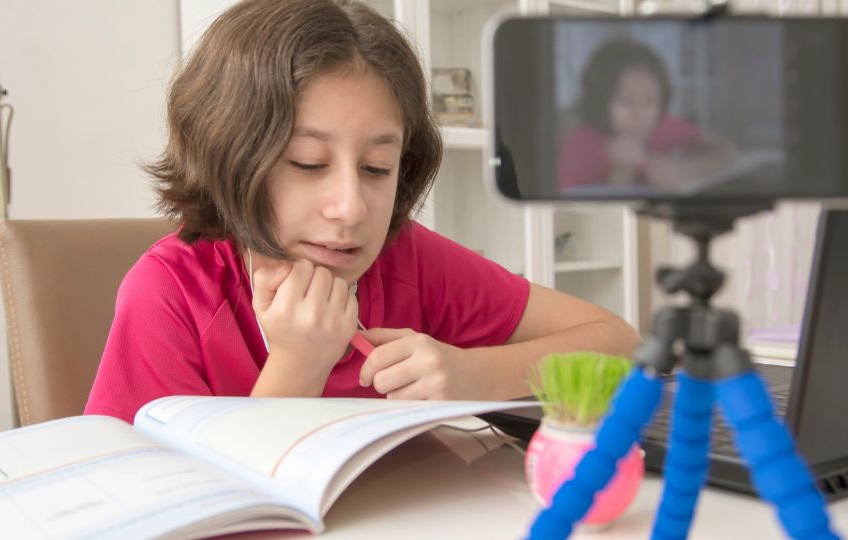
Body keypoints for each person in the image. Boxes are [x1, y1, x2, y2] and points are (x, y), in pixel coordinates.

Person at [84, 0, 640, 424]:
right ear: (228, 155)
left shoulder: (409, 260)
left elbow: (618, 342)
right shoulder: (171, 293)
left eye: (377, 168)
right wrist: (299, 364)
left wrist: (474, 372)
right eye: (306, 163)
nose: (351, 208)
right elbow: (157, 505)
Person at [558, 38, 734, 193]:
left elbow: (726, 152)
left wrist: (682, 171)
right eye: (626, 102)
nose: (639, 114)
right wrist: (623, 169)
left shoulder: (664, 126)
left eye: (649, 102)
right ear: (600, 102)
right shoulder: (581, 143)